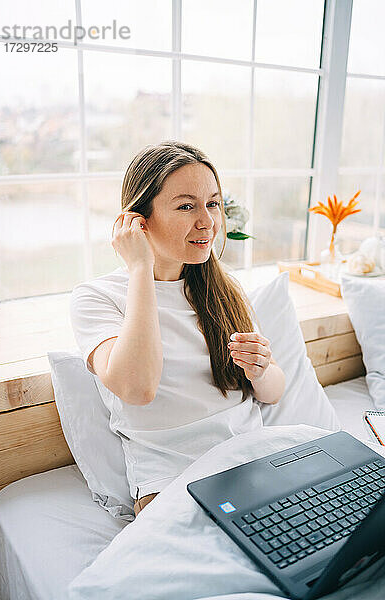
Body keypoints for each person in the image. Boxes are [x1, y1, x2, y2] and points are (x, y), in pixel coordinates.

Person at [70, 141, 286, 518]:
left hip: (254, 460)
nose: (207, 222)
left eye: (213, 203)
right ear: (139, 220)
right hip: (173, 480)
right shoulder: (96, 298)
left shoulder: (222, 290)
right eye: (187, 206)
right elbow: (137, 388)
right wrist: (140, 268)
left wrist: (261, 369)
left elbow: (273, 392)